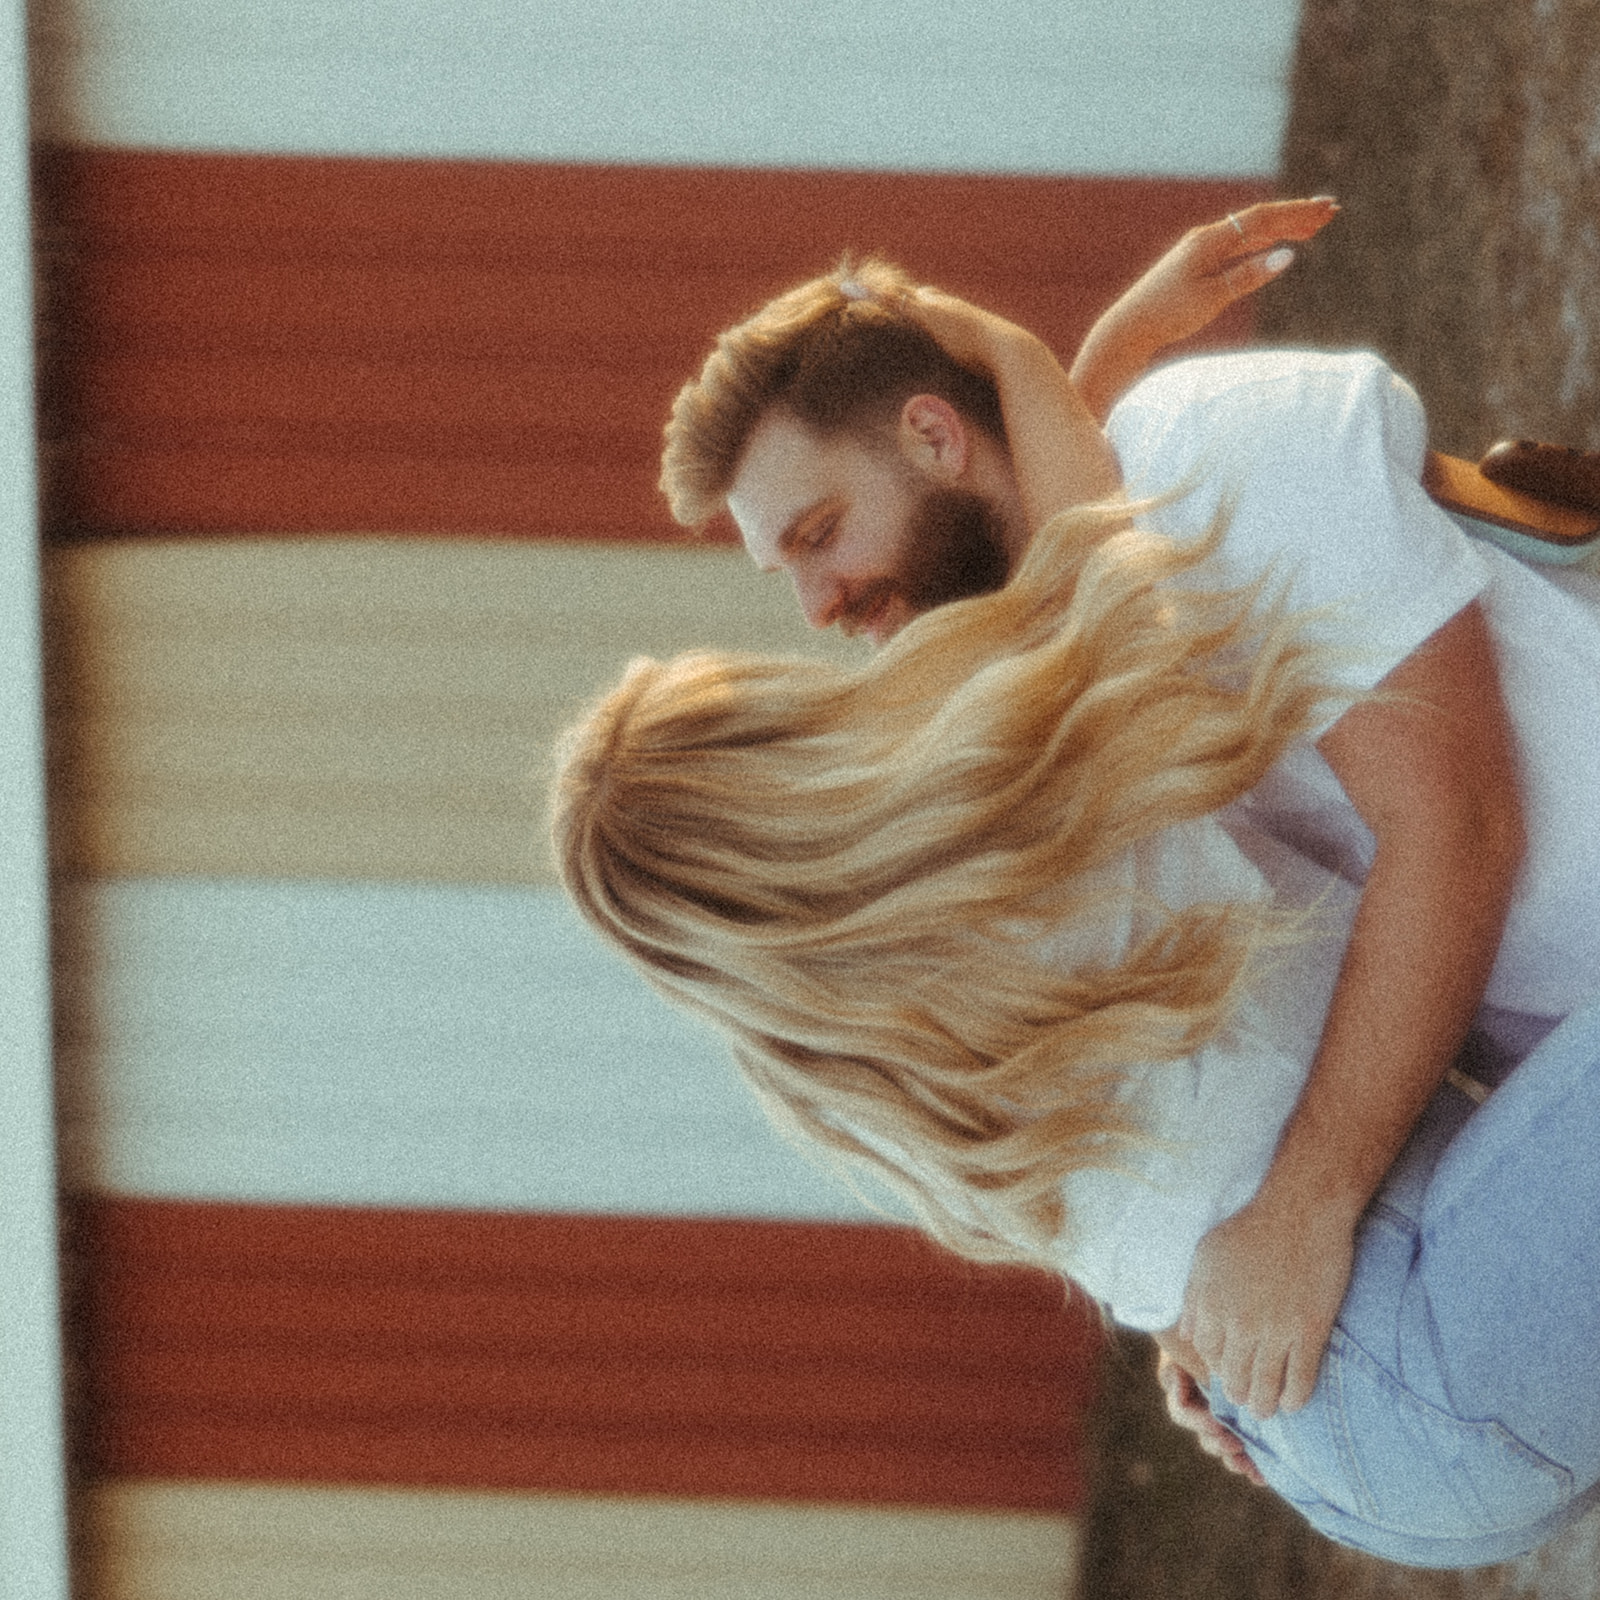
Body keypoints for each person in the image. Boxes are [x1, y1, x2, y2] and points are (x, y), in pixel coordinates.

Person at [550, 214, 1600, 1564]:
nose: (814, 615)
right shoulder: (1002, 801)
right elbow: (1099, 578)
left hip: (1344, 1429)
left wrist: (1211, 1316)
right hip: (1402, 1324)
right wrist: (1033, 354)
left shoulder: (852, 1034)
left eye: (816, 534)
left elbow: (1088, 578)